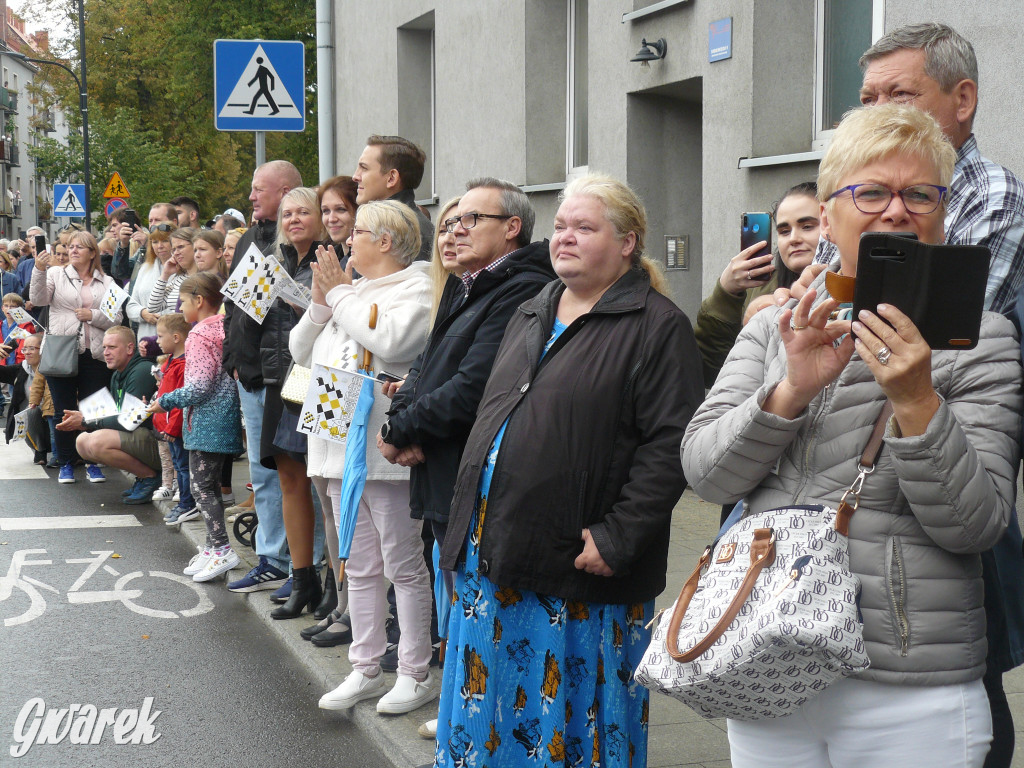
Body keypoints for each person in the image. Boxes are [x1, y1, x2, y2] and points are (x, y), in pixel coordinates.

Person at [681, 104, 1021, 767]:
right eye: (870, 192)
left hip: (908, 687)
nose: (897, 210)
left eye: (920, 193)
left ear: (942, 214)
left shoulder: (983, 339)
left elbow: (973, 526)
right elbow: (705, 473)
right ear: (830, 213)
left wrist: (917, 399)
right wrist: (791, 392)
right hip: (765, 663)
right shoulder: (774, 328)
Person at [432, 173, 703, 767]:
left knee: (569, 723)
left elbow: (670, 445)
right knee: (488, 714)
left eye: (585, 227)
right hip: (495, 549)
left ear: (627, 242)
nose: (565, 238)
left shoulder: (658, 326)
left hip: (576, 567)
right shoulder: (535, 308)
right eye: (560, 226)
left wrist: (620, 536)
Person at [299, 201, 435, 710]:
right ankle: (365, 666)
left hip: (384, 455)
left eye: (355, 230)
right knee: (357, 565)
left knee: (404, 564)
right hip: (336, 450)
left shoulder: (418, 288)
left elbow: (392, 339)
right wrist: (321, 303)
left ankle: (415, 671)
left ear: (385, 241)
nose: (344, 237)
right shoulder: (349, 293)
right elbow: (299, 349)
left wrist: (338, 294)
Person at [378, 178, 556, 554]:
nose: (457, 228)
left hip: (469, 474)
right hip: (441, 467)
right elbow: (422, 366)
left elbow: (472, 388)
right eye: (456, 219)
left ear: (512, 227)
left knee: (459, 599)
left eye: (472, 218)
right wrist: (399, 422)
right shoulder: (466, 285)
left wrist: (399, 429)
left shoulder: (523, 289)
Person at [808, 23, 1024, 317]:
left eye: (900, 95)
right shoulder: (845, 190)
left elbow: (950, 327)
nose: (879, 113)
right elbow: (814, 296)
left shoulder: (995, 197)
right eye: (868, 100)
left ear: (963, 100)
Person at [223, 161, 302, 596]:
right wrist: (232, 357)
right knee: (263, 472)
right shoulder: (252, 238)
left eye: (259, 189)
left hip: (287, 378)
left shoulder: (301, 245)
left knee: (295, 474)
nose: (251, 197)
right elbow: (236, 306)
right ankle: (274, 558)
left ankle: (304, 564)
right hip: (250, 375)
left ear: (286, 190)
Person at [257, 186, 326, 619]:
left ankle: (332, 580)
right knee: (287, 474)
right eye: (288, 213)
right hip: (279, 378)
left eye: (304, 212)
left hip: (316, 377)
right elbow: (251, 323)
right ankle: (302, 578)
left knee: (322, 481)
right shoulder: (275, 260)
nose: (294, 219)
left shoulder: (331, 259)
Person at [149, 273, 243, 583]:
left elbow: (200, 386)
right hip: (222, 416)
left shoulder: (200, 334)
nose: (181, 307)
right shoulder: (223, 325)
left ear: (199, 301)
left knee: (202, 488)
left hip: (205, 421)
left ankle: (220, 548)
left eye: (183, 301)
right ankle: (213, 545)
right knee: (210, 487)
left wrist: (167, 400)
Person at [695, 182, 820, 386]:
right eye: (784, 231)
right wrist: (726, 293)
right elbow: (712, 369)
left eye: (807, 227)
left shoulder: (846, 284)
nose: (794, 239)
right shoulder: (760, 288)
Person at [29, 231, 122, 484]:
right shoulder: (55, 274)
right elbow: (37, 299)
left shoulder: (107, 282)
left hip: (96, 355)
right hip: (61, 352)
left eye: (80, 247)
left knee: (94, 410)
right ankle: (67, 463)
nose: (73, 250)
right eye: (71, 246)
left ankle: (92, 461)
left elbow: (118, 318)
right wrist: (38, 268)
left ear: (93, 252)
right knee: (63, 411)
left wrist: (92, 315)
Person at [60, 326, 160, 501]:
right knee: (82, 442)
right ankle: (144, 476)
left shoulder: (142, 371)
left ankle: (152, 478)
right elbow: (114, 414)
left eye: (112, 347)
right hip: (140, 437)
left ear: (130, 348)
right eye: (104, 347)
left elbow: (129, 420)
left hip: (161, 443)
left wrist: (86, 421)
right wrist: (84, 417)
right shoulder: (117, 374)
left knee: (98, 442)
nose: (106, 352)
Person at [353, 135, 432, 261]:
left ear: (391, 178)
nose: (355, 176)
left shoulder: (410, 232)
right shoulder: (388, 225)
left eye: (364, 168)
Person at [151, 313, 196, 526]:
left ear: (176, 337)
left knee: (184, 467)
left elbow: (180, 403)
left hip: (176, 428)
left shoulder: (183, 364)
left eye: (160, 336)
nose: (157, 341)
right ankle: (184, 501)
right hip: (168, 426)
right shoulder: (170, 361)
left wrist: (172, 427)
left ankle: (188, 503)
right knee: (179, 466)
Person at [125, 224, 174, 341]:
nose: (160, 246)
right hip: (146, 339)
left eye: (165, 241)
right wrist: (143, 313)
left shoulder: (183, 270)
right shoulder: (145, 268)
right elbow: (131, 306)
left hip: (173, 340)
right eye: (155, 242)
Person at [111, 202, 177, 285]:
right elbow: (120, 273)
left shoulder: (184, 246)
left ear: (174, 222)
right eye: (150, 221)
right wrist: (123, 244)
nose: (152, 224)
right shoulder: (143, 248)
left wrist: (148, 245)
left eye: (157, 220)